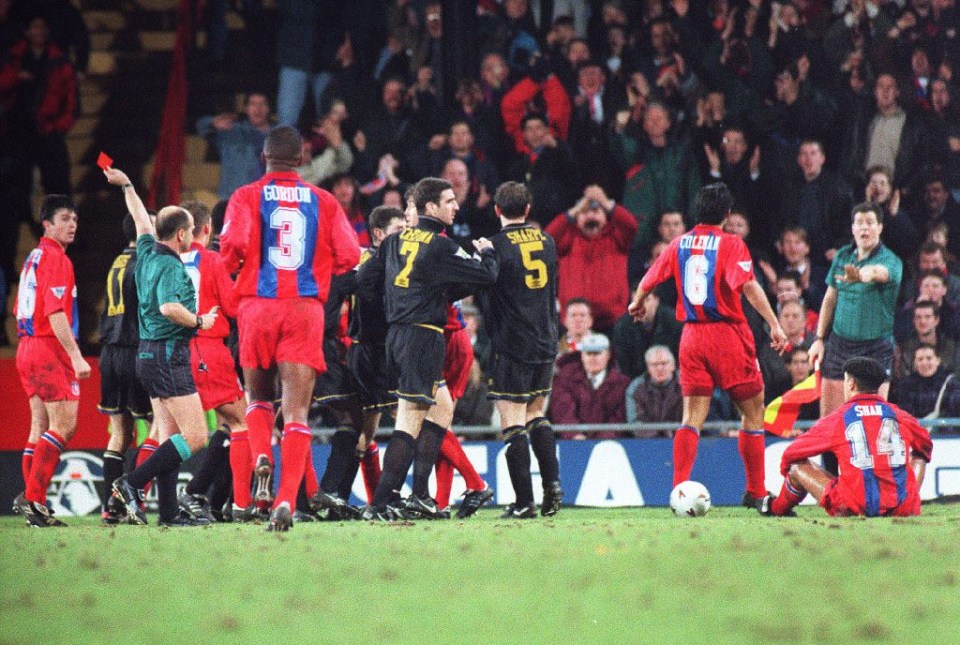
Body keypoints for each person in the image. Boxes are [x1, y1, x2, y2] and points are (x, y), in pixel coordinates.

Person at [219, 126, 360, 531]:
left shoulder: (246, 196)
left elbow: (232, 248)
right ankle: (284, 500)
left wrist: (232, 279)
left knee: (258, 398)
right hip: (304, 309)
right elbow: (350, 255)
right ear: (301, 159)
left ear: (263, 158)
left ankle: (262, 453)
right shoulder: (324, 200)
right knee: (297, 410)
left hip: (257, 307)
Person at [628, 182, 788, 508]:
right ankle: (756, 492)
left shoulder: (679, 243)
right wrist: (774, 323)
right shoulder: (731, 244)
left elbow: (650, 279)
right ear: (727, 214)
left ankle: (678, 492)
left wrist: (638, 301)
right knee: (752, 411)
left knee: (692, 417)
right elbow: (747, 286)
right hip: (727, 334)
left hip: (691, 337)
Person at [357, 177, 498, 520]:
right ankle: (379, 504)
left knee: (441, 408)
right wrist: (489, 254)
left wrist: (396, 305)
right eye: (449, 201)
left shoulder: (392, 243)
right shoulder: (440, 246)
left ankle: (420, 494)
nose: (456, 206)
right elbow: (486, 276)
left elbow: (364, 280)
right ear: (430, 207)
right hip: (422, 337)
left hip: (397, 336)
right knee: (409, 420)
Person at [102, 168, 219, 527]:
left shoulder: (148, 252)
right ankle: (132, 483)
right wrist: (200, 321)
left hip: (147, 354)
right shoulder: (170, 266)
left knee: (168, 436)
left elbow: (140, 219)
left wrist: (128, 185)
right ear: (182, 234)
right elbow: (170, 308)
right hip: (169, 354)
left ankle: (168, 514)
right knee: (197, 436)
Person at [475, 181, 563, 519]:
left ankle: (524, 501)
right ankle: (552, 486)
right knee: (536, 414)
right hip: (545, 338)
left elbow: (485, 283)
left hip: (512, 342)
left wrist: (484, 254)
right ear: (528, 210)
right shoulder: (548, 242)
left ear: (497, 210)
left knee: (512, 421)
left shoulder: (495, 246)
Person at [760, 357, 932, 518]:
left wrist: (787, 473)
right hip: (903, 508)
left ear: (850, 384)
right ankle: (909, 501)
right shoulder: (901, 416)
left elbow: (792, 453)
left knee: (797, 468)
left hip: (853, 508)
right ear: (878, 386)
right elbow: (926, 445)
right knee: (919, 456)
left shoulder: (838, 419)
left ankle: (776, 509)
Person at [12, 194, 90, 526]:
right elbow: (55, 311)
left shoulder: (33, 256)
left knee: (39, 426)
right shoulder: (58, 259)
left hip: (26, 346)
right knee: (65, 425)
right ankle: (33, 498)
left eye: (74, 218)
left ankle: (34, 504)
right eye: (64, 219)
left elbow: (19, 307)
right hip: (47, 348)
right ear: (47, 225)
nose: (71, 225)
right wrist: (76, 356)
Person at [175, 202, 248, 523]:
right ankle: (231, 501)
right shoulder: (212, 260)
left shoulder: (168, 259)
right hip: (206, 348)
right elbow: (232, 307)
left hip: (173, 348)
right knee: (243, 421)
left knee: (220, 424)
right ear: (207, 230)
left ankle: (211, 500)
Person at [808, 202, 903, 419]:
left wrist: (862, 275)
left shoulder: (891, 260)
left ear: (880, 227)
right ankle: (830, 456)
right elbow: (830, 298)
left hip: (875, 348)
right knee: (830, 420)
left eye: (870, 223)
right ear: (852, 228)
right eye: (859, 223)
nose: (864, 228)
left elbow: (880, 273)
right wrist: (819, 338)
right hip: (839, 345)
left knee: (871, 419)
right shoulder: (842, 256)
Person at [96, 213, 151, 525]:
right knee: (157, 428)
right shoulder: (144, 262)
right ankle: (134, 499)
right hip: (134, 350)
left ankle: (110, 508)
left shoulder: (116, 261)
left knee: (120, 434)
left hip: (110, 351)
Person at [547, 183, 637, 332]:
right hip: (574, 322)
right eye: (584, 212)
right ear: (577, 217)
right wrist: (575, 209)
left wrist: (605, 202)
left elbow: (631, 225)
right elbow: (548, 237)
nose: (590, 216)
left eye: (595, 211)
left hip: (611, 321)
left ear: (605, 216)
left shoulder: (617, 237)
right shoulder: (568, 238)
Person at [550, 332, 631, 439]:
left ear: (608, 355)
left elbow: (619, 417)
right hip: (573, 443)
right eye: (589, 353)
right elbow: (563, 410)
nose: (593, 358)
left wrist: (601, 439)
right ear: (582, 356)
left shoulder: (622, 383)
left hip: (609, 445)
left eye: (597, 353)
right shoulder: (565, 379)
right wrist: (574, 435)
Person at [196, 92, 272, 200]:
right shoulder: (231, 131)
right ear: (246, 109)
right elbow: (201, 126)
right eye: (253, 104)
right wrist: (213, 122)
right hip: (232, 199)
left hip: (264, 200)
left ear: (268, 109)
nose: (258, 109)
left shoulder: (277, 135)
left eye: (262, 104)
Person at [891, 343, 960, 420]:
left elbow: (954, 412)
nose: (924, 363)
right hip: (916, 430)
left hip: (945, 430)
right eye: (920, 359)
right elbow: (905, 414)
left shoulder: (951, 382)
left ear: (938, 360)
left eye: (929, 358)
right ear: (915, 363)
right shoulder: (906, 384)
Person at [625, 345, 682, 436]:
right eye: (654, 364)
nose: (659, 368)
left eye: (664, 363)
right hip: (648, 442)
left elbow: (694, 419)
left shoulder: (688, 386)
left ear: (673, 365)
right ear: (648, 368)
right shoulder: (636, 388)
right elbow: (635, 423)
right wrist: (662, 433)